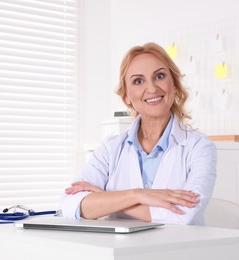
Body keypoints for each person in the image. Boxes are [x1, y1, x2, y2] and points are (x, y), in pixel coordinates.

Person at [61, 42, 216, 225]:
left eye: (159, 76)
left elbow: (182, 214)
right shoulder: (110, 148)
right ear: (126, 96)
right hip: (122, 252)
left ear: (173, 84)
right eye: (138, 81)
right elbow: (71, 204)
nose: (151, 88)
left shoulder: (199, 147)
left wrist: (107, 199)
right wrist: (139, 195)